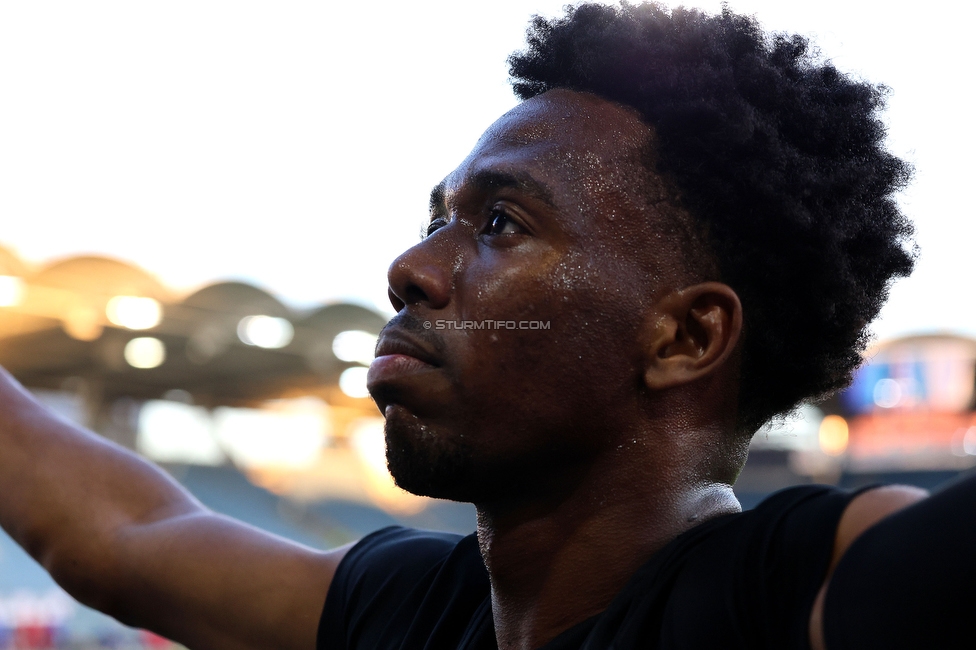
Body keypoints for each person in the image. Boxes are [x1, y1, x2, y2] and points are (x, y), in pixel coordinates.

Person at [0, 3, 970, 649]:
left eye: (500, 224)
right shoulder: (416, 610)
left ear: (683, 338)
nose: (412, 267)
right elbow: (122, 532)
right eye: (436, 220)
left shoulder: (802, 588)